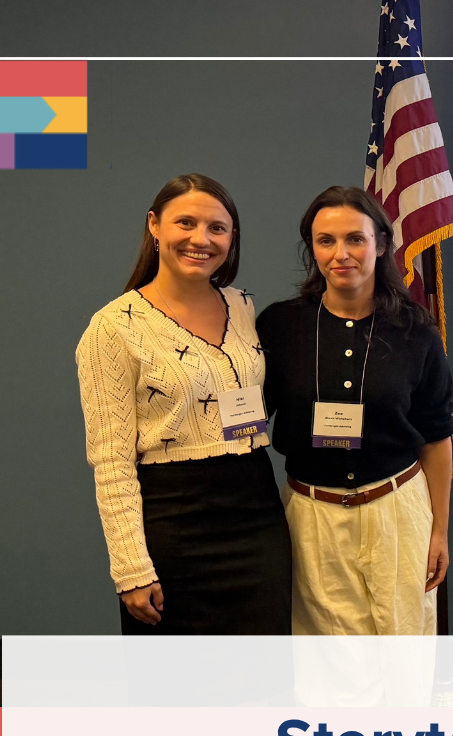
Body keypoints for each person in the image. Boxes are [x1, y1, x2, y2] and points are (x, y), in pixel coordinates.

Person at [75, 174, 291, 634]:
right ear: (154, 226)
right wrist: (131, 567)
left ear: (232, 239)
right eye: (186, 223)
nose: (201, 239)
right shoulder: (113, 327)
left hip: (256, 514)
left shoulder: (245, 307)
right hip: (174, 521)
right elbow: (111, 461)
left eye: (217, 228)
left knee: (261, 679)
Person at [256, 186, 453, 635]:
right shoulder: (279, 326)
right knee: (328, 668)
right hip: (312, 516)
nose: (340, 254)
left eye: (355, 239)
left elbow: (437, 435)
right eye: (326, 241)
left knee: (404, 662)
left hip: (396, 510)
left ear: (380, 244)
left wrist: (439, 530)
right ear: (312, 248)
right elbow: (249, 417)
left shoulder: (416, 331)